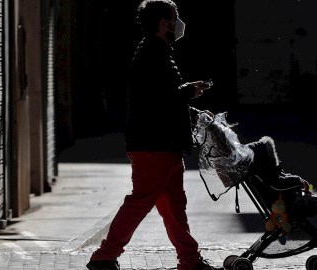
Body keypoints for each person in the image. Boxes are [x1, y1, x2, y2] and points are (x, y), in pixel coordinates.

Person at [86, 1, 219, 270]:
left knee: (174, 207)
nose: (179, 22)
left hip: (165, 145)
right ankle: (104, 256)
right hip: (153, 145)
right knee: (140, 202)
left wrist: (190, 109)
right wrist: (187, 92)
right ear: (163, 23)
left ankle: (190, 259)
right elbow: (158, 98)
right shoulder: (151, 53)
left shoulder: (159, 51)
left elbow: (163, 96)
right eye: (175, 17)